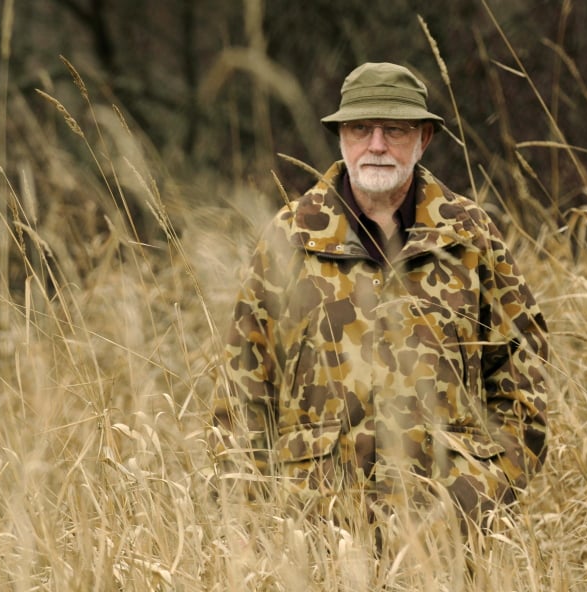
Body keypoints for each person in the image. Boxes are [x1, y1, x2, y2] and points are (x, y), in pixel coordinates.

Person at [215, 62, 549, 533]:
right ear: (341, 138)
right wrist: (255, 521)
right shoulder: (290, 238)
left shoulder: (470, 237)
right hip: (313, 532)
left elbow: (523, 378)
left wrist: (479, 495)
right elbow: (242, 386)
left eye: (394, 130)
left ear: (423, 139)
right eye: (360, 129)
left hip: (446, 540)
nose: (376, 145)